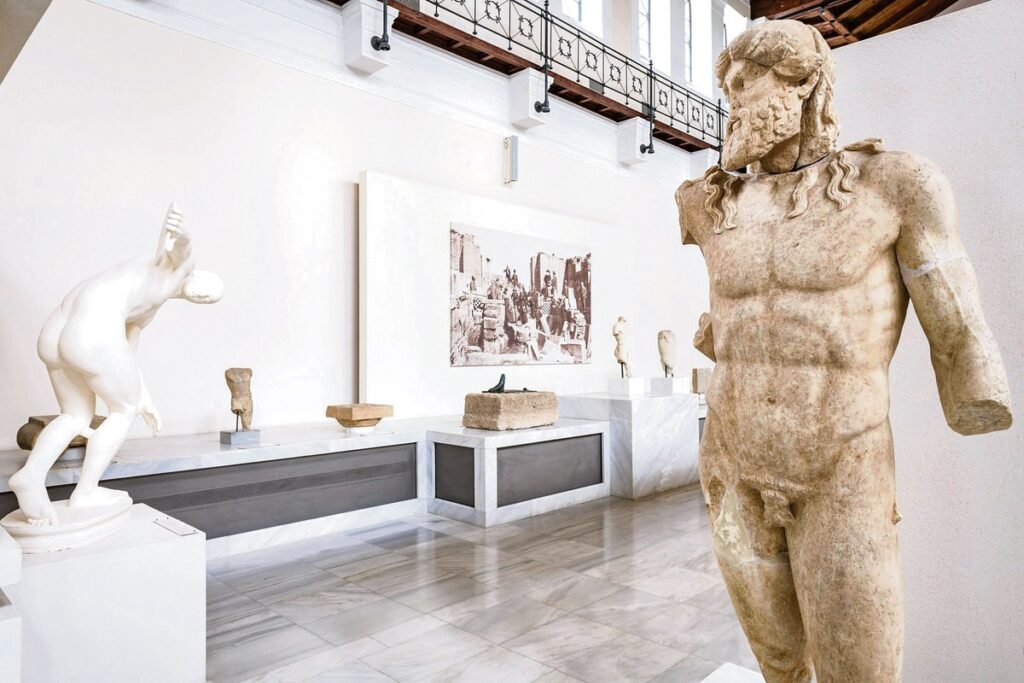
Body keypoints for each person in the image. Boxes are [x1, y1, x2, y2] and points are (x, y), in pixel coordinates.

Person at [677, 21, 1011, 682]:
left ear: (803, 82)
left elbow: (957, 321)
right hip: (732, 461)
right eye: (727, 88)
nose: (732, 102)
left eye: (745, 83)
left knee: (860, 670)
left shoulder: (894, 185)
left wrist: (978, 392)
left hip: (841, 466)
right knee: (778, 663)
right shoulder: (707, 204)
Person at [9, 205, 223, 525]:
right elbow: (182, 249)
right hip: (87, 332)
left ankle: (30, 475)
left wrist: (143, 397)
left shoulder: (149, 305)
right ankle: (85, 492)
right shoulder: (174, 269)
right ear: (198, 273)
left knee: (76, 415)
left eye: (210, 299)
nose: (207, 295)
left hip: (57, 332)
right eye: (210, 287)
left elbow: (124, 354)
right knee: (123, 411)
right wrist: (182, 232)